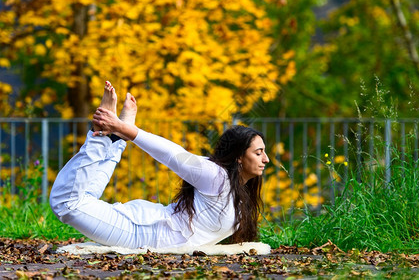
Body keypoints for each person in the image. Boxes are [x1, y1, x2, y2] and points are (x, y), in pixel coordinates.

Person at [50, 81, 270, 249]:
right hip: (138, 232)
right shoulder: (216, 176)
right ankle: (104, 134)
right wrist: (128, 130)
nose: (266, 159)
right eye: (259, 152)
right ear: (239, 157)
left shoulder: (242, 191)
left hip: (146, 232)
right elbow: (173, 154)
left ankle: (115, 138)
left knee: (83, 196)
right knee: (66, 203)